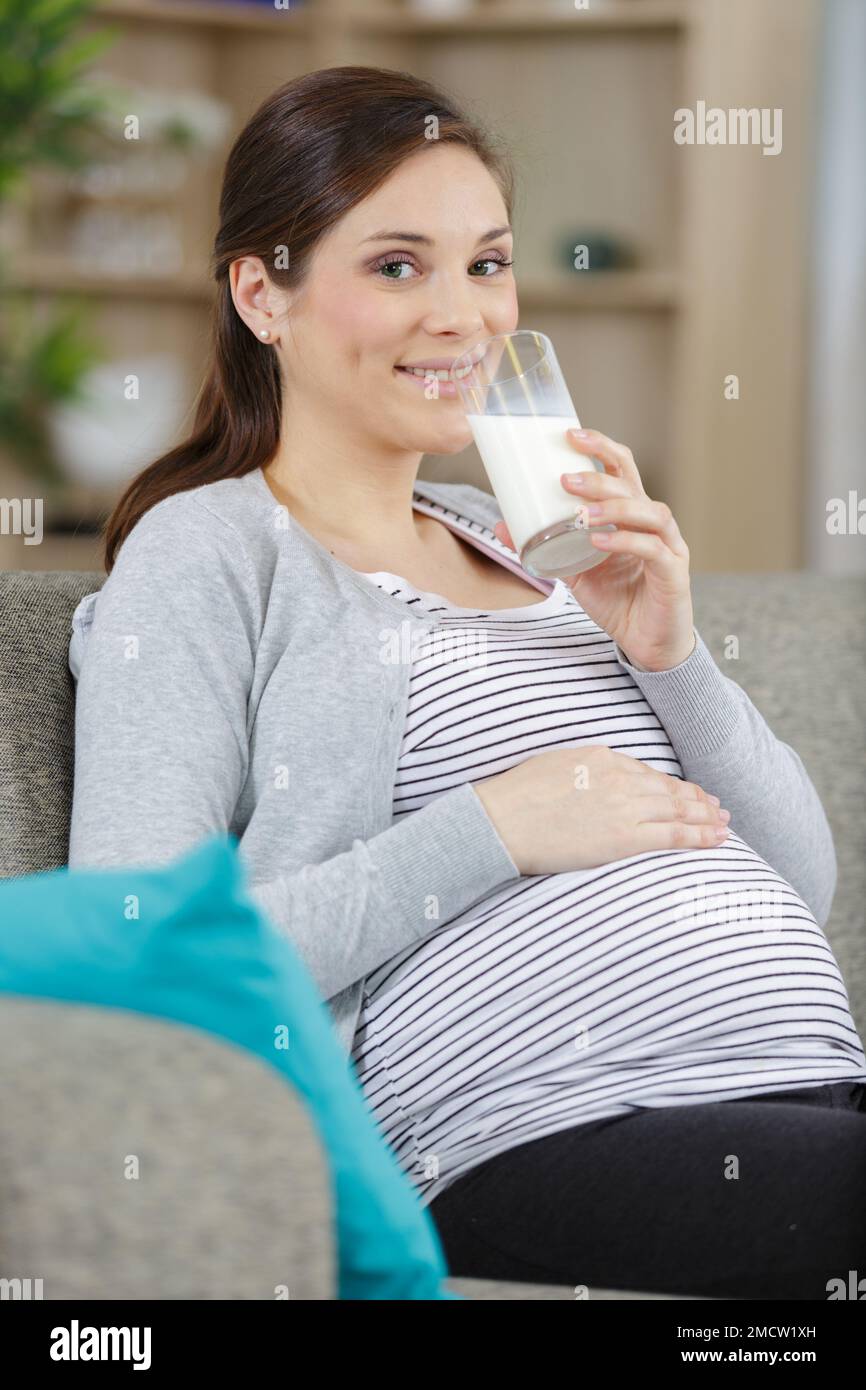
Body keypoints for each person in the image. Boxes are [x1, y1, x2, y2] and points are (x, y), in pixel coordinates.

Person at [68, 66, 866, 1300]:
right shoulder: (211, 553)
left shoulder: (527, 537)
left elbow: (800, 881)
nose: (463, 316)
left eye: (485, 264)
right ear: (259, 294)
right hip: (534, 1136)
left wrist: (672, 655)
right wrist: (489, 830)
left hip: (801, 1093)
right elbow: (142, 952)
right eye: (397, 266)